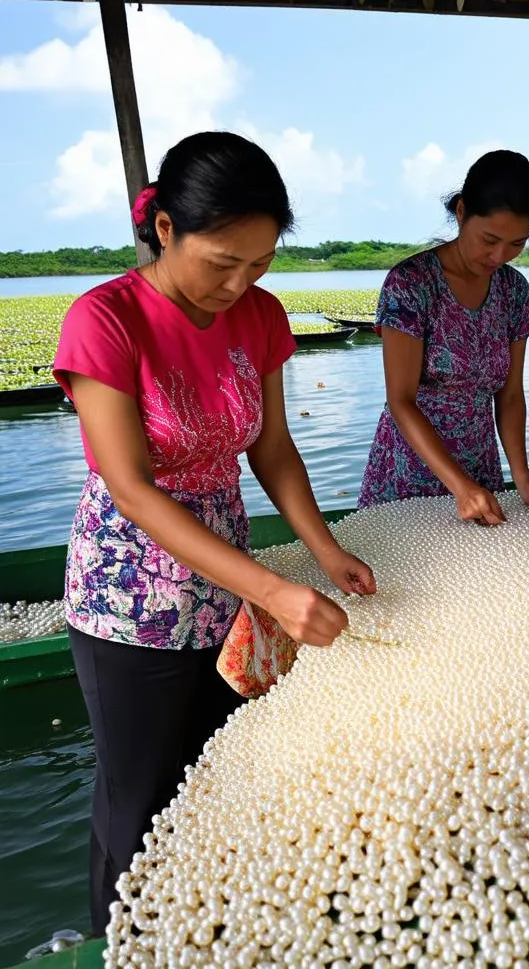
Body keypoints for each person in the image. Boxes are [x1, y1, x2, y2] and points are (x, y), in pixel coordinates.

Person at [53, 131, 377, 934]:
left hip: (222, 579)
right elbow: (128, 486)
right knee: (137, 799)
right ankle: (118, 943)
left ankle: (208, 932)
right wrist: (271, 588)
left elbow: (270, 446)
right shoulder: (106, 320)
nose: (239, 283)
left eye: (260, 262)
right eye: (221, 261)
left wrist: (323, 547)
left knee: (218, 772)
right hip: (129, 592)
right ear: (166, 230)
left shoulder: (260, 317)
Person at [358, 150, 529, 523]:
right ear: (463, 212)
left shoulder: (514, 291)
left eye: (516, 244)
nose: (499, 255)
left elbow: (511, 393)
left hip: (481, 468)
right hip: (411, 473)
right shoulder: (412, 284)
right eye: (489, 239)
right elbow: (400, 401)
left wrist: (522, 477)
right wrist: (460, 487)